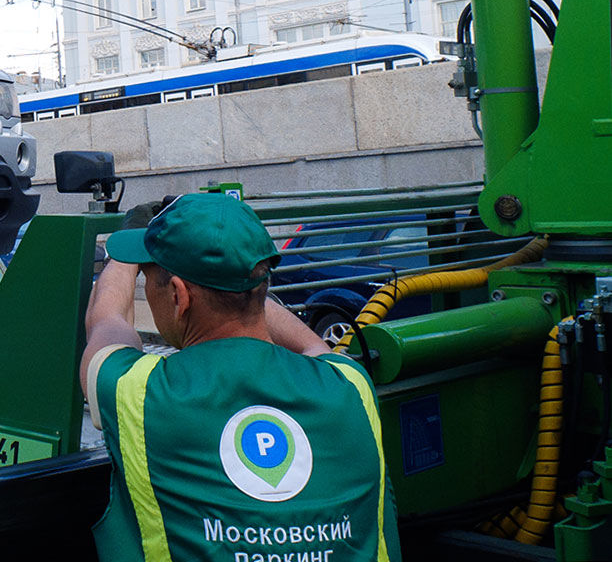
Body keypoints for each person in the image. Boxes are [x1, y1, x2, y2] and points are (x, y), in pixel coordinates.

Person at [80, 192, 401, 562]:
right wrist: (239, 281)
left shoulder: (142, 394)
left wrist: (123, 257)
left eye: (149, 280)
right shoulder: (350, 387)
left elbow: (107, 325)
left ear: (179, 297)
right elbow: (313, 346)